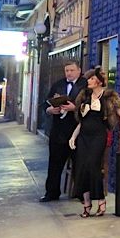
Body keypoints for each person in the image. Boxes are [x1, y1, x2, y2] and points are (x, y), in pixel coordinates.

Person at [69, 66, 120, 217]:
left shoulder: (109, 97)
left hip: (98, 136)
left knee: (93, 166)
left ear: (100, 81)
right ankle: (87, 204)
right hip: (83, 136)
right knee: (81, 167)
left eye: (92, 78)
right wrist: (73, 137)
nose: (89, 81)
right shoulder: (84, 96)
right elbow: (81, 122)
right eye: (88, 78)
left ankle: (101, 200)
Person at [40, 60, 87, 202]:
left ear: (79, 70)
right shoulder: (58, 84)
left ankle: (81, 193)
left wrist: (75, 108)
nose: (69, 73)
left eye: (72, 70)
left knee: (80, 163)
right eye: (67, 70)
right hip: (58, 131)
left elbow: (91, 106)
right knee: (54, 164)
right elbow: (45, 103)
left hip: (77, 131)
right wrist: (50, 110)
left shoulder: (85, 85)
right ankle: (51, 193)